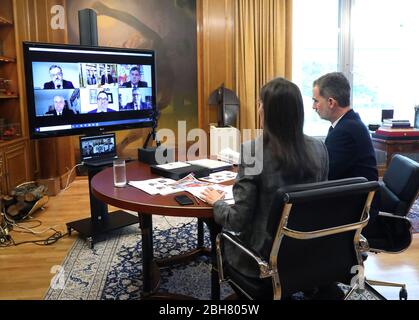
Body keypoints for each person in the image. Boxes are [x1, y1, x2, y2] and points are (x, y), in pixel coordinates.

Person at [201, 77, 329, 298]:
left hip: (259, 262)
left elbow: (237, 221)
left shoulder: (252, 152)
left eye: (260, 103)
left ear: (266, 112)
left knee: (216, 227)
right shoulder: (319, 148)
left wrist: (217, 203)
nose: (258, 109)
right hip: (306, 255)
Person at [312, 72, 379, 238]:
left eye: (315, 101)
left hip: (354, 208)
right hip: (352, 199)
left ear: (331, 102)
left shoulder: (345, 131)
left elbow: (324, 174)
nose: (314, 106)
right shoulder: (347, 124)